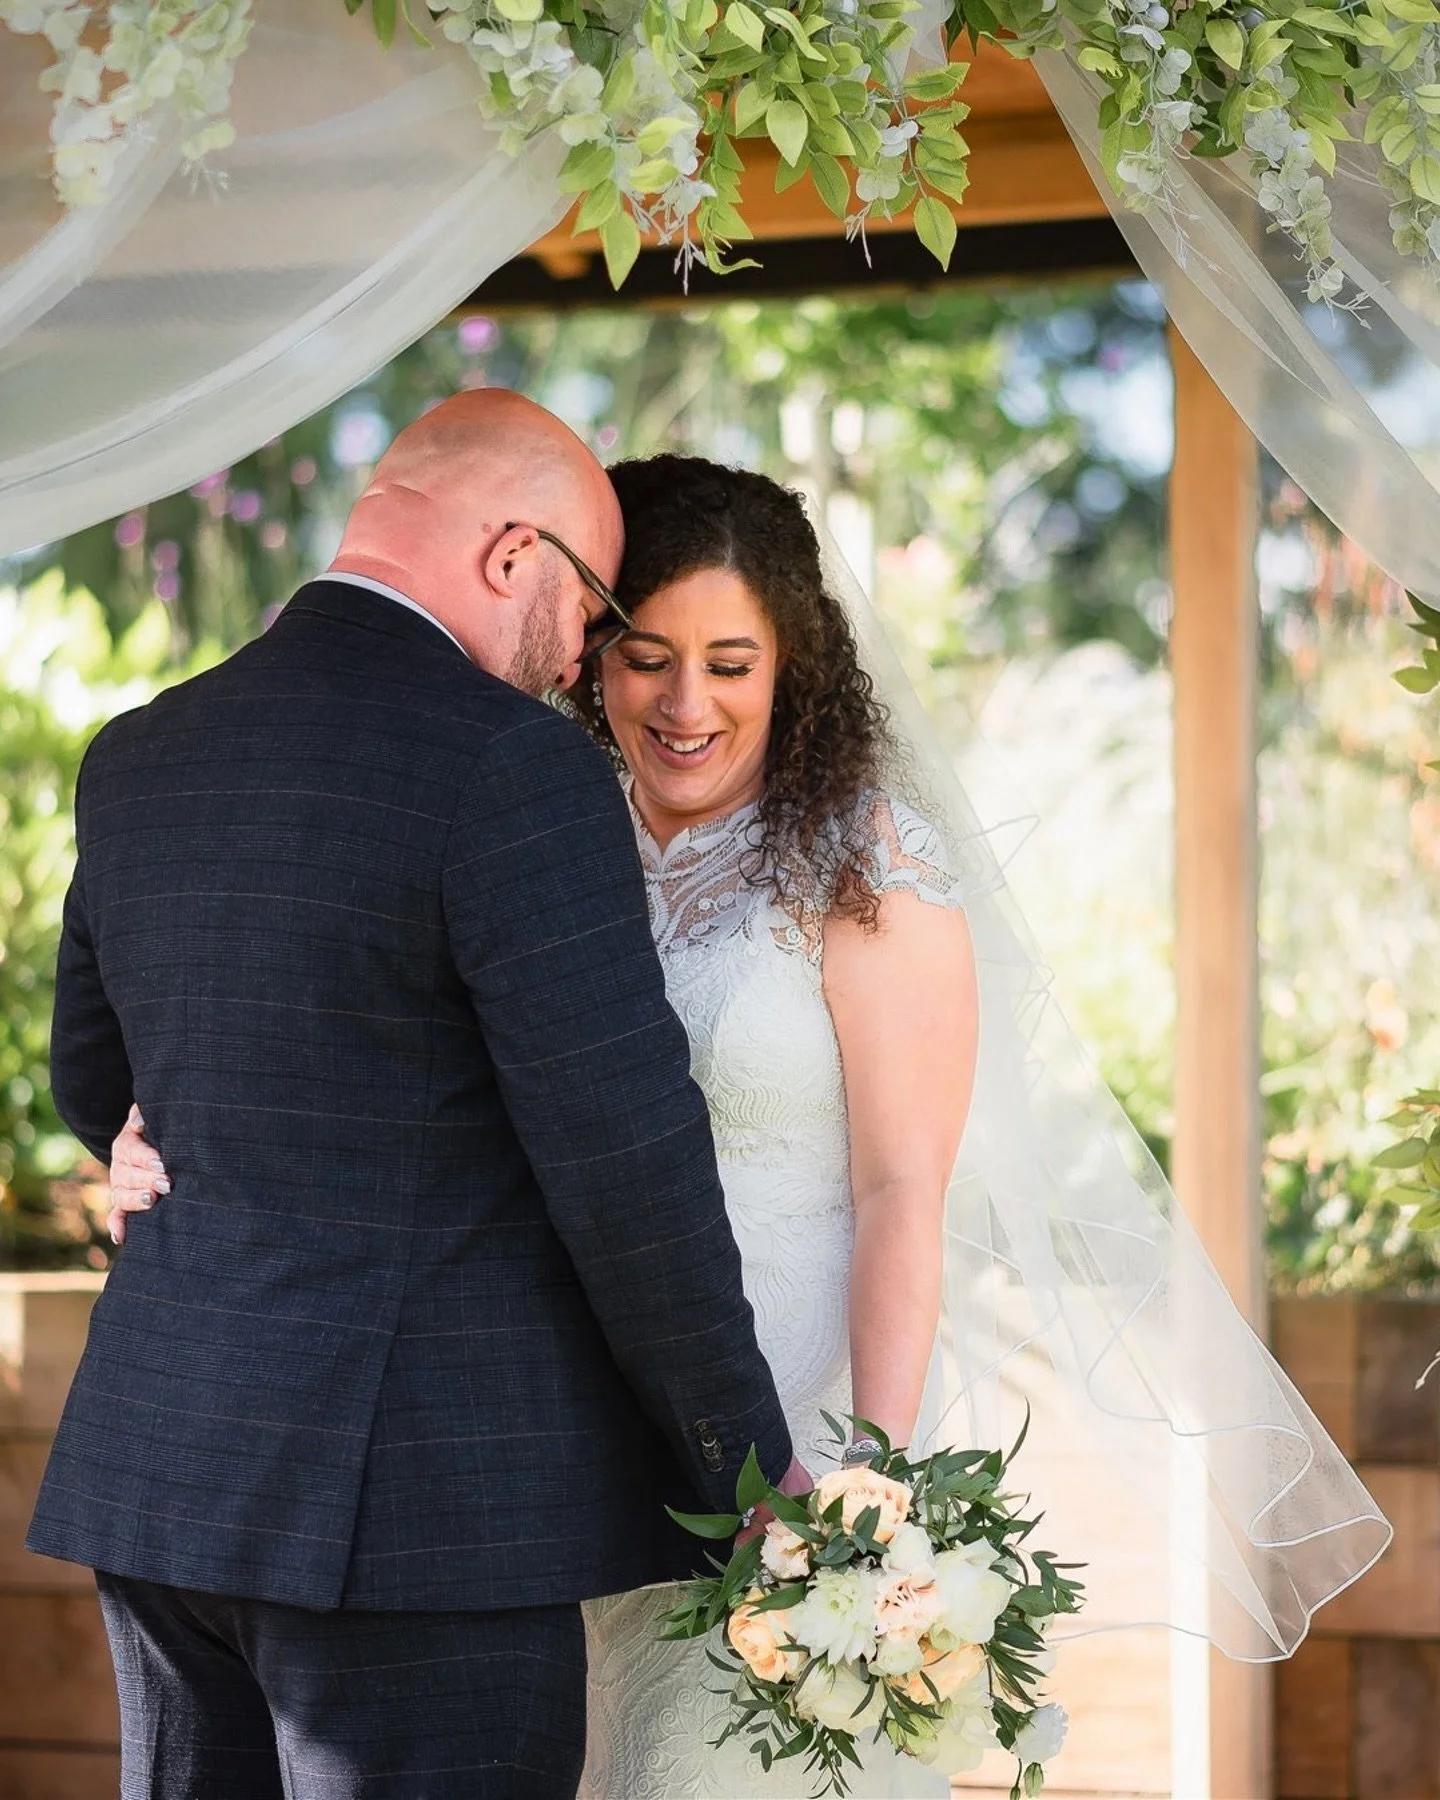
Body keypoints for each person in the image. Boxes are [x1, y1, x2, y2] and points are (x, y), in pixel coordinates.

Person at [109, 452, 1393, 1795]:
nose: (686, 702)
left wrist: (872, 1475)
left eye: (732, 661)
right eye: (647, 657)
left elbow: (905, 1186)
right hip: (530, 1448)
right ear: (588, 653)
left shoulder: (864, 862)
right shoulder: (526, 830)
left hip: (783, 1440)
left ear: (795, 668)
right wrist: (140, 1128)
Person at [28, 398, 804, 1800]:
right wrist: (743, 1468)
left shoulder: (144, 750)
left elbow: (93, 1074)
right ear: (515, 555)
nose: (584, 652)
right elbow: (626, 1162)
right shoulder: (515, 770)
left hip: (165, 1488)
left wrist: (140, 1144)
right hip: (420, 1527)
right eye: (592, 602)